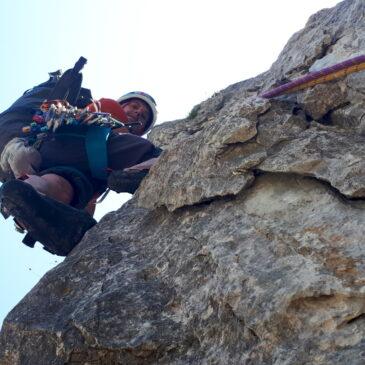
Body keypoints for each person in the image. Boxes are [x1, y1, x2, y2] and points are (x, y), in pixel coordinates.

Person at [0, 90, 162, 256]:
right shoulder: (87, 105)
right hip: (59, 143)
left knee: (57, 185)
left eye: (142, 117)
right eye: (135, 106)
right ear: (123, 104)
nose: (137, 113)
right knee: (38, 185)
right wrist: (12, 141)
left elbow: (90, 202)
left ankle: (40, 210)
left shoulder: (126, 141)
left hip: (77, 169)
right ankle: (28, 200)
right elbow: (24, 112)